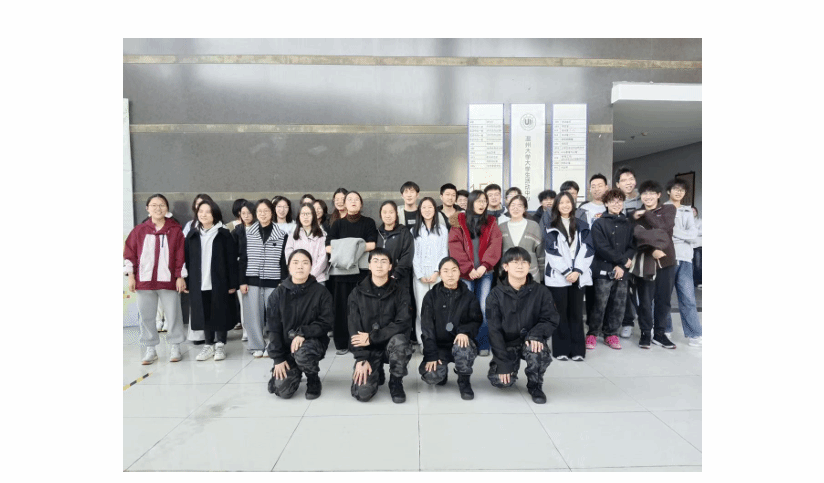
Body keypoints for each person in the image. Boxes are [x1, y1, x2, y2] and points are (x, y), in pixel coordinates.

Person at [486, 247, 560, 404]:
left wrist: (536, 335)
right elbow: (494, 331)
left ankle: (535, 385)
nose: (520, 266)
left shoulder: (541, 291)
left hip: (530, 340)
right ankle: (509, 367)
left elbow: (551, 318)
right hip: (508, 344)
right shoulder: (495, 295)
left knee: (537, 349)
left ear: (529, 266)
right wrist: (502, 363)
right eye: (515, 262)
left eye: (524, 262)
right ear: (505, 267)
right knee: (500, 381)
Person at [124, 194, 187, 365]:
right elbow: (130, 254)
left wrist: (180, 276)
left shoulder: (175, 230)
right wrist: (131, 276)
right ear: (147, 208)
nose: (158, 208)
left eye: (162, 205)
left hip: (168, 280)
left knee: (174, 314)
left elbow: (180, 256)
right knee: (146, 316)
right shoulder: (139, 230)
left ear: (167, 208)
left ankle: (175, 346)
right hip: (144, 281)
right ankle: (150, 348)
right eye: (154, 205)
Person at [348, 249, 414, 403]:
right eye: (375, 261)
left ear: (390, 266)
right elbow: (353, 327)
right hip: (368, 350)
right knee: (362, 394)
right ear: (369, 265)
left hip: (391, 346)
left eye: (384, 261)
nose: (379, 265)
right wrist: (361, 358)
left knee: (400, 341)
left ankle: (396, 382)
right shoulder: (356, 293)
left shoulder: (401, 291)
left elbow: (403, 323)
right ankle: (377, 371)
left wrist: (373, 337)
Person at [266, 249, 333, 400]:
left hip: (312, 344)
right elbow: (273, 329)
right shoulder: (277, 294)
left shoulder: (321, 292)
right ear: (289, 267)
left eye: (305, 263)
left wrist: (303, 333)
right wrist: (278, 359)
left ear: (311, 266)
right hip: (286, 348)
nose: (300, 266)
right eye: (295, 263)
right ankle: (294, 367)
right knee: (281, 391)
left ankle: (313, 379)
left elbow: (327, 322)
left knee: (303, 353)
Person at [448, 190, 503, 357]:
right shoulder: (459, 221)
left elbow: (495, 244)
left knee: (484, 307)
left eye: (484, 201)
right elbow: (455, 246)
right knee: (465, 308)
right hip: (466, 274)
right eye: (478, 201)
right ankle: (465, 343)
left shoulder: (491, 222)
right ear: (471, 202)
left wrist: (484, 266)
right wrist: (467, 268)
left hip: (485, 272)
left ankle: (482, 343)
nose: (482, 204)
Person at [419, 257, 482, 400]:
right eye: (445, 271)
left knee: (462, 345)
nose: (450, 275)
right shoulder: (431, 296)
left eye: (454, 270)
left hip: (460, 344)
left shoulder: (469, 296)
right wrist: (431, 354)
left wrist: (464, 332)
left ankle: (464, 380)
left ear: (459, 272)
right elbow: (427, 328)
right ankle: (443, 372)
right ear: (440, 274)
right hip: (439, 346)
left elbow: (476, 320)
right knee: (432, 377)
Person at [185, 199, 239, 362]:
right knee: (205, 314)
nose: (203, 215)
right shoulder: (193, 235)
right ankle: (208, 345)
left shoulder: (224, 234)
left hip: (219, 281)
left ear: (214, 214)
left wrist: (232, 283)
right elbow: (187, 260)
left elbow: (231, 261)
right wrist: (187, 281)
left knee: (220, 313)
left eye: (207, 212)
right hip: (199, 282)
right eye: (201, 211)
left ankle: (220, 345)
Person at [326, 191, 378, 355]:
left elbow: (372, 244)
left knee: (363, 309)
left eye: (356, 199)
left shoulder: (368, 222)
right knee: (341, 309)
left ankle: (361, 342)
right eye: (349, 199)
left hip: (361, 273)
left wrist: (344, 248)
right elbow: (328, 247)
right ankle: (342, 343)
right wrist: (357, 246)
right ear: (345, 203)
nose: (353, 201)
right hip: (341, 273)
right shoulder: (338, 224)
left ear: (361, 204)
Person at [543, 191, 593, 361]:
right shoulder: (550, 226)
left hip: (578, 274)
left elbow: (588, 249)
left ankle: (578, 350)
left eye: (568, 202)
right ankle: (561, 350)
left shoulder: (583, 225)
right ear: (556, 206)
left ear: (573, 204)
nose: (565, 205)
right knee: (560, 313)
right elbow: (551, 252)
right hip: (558, 275)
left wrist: (577, 270)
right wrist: (566, 271)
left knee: (576, 312)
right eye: (561, 202)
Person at [630, 180, 678, 350]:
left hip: (667, 261)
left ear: (659, 195)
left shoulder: (668, 209)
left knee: (663, 300)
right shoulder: (634, 215)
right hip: (646, 262)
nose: (648, 196)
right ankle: (645, 333)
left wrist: (646, 213)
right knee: (645, 300)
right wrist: (652, 250)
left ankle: (659, 334)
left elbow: (663, 227)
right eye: (645, 193)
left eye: (652, 193)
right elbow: (637, 238)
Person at [238, 199, 289, 358]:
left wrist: (283, 281)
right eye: (259, 211)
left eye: (266, 211)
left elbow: (283, 260)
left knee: (274, 316)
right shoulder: (248, 233)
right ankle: (256, 346)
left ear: (272, 213)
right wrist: (242, 281)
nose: (262, 214)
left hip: (274, 281)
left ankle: (273, 345)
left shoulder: (281, 234)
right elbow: (243, 258)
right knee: (252, 316)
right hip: (251, 281)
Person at [586, 189, 634, 350]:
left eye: (619, 201)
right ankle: (592, 333)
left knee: (618, 304)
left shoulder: (628, 223)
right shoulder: (599, 223)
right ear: (606, 203)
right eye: (612, 201)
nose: (616, 204)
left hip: (622, 271)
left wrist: (621, 266)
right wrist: (622, 261)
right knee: (599, 302)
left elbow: (632, 246)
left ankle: (611, 334)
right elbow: (601, 247)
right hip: (602, 268)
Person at [664, 178, 702, 347]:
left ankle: (694, 334)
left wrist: (675, 234)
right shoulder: (662, 209)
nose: (679, 192)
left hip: (685, 259)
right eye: (675, 189)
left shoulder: (688, 210)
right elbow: (664, 233)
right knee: (664, 297)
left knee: (688, 297)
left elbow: (693, 235)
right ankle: (665, 329)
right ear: (668, 191)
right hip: (667, 258)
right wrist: (684, 236)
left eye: (682, 190)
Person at [411, 197, 450, 350]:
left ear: (435, 210)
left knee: (438, 308)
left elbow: (443, 252)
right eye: (424, 207)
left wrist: (436, 272)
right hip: (420, 275)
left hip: (437, 274)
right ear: (420, 210)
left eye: (430, 207)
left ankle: (438, 340)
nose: (427, 210)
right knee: (421, 309)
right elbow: (413, 255)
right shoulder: (414, 230)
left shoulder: (442, 230)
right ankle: (423, 341)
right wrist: (420, 275)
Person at [613, 166, 642, 339]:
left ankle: (648, 324)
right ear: (617, 184)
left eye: (631, 179)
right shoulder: (614, 202)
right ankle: (627, 322)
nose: (628, 183)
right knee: (624, 289)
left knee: (644, 290)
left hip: (642, 253)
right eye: (624, 180)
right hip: (622, 253)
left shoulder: (643, 200)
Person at [182, 193, 215, 346]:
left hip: (211, 272)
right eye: (198, 205)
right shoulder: (190, 226)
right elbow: (185, 250)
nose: (202, 211)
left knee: (212, 306)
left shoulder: (218, 226)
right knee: (196, 305)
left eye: (205, 206)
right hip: (195, 271)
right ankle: (197, 335)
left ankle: (213, 336)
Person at [499, 195, 544, 280]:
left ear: (525, 209)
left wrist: (542, 274)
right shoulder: (501, 227)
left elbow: (541, 253)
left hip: (531, 274)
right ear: (508, 208)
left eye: (519, 205)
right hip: (507, 276)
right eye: (513, 205)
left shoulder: (533, 226)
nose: (515, 208)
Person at [284, 203, 329, 286]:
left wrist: (309, 276)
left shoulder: (322, 235)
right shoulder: (293, 235)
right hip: (297, 279)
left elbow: (323, 260)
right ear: (299, 216)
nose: (305, 217)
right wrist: (298, 274)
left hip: (317, 279)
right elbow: (289, 257)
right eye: (303, 214)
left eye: (308, 214)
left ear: (313, 216)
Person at [376, 200, 414, 296]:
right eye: (384, 212)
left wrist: (395, 275)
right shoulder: (377, 233)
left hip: (399, 280)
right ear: (380, 214)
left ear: (396, 214)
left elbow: (407, 255)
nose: (388, 215)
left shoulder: (404, 232)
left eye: (391, 212)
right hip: (380, 280)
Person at [232, 200, 256, 342]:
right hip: (241, 272)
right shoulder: (237, 231)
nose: (246, 216)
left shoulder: (260, 229)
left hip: (257, 272)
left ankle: (258, 330)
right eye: (243, 213)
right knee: (244, 304)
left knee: (256, 305)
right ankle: (246, 330)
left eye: (249, 213)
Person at [691, 206, 702, 289]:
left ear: (696, 212)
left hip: (697, 246)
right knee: (688, 265)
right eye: (690, 211)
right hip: (688, 246)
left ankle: (698, 282)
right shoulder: (685, 222)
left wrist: (691, 232)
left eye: (694, 211)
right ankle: (690, 281)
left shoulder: (700, 221)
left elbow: (702, 232)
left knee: (698, 265)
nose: (692, 213)